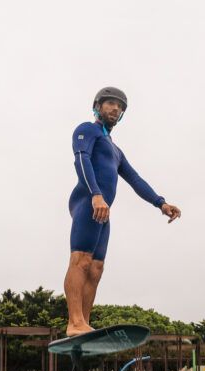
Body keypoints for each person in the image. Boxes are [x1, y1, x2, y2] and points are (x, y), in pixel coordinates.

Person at [63, 87, 182, 336]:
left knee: (96, 268)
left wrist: (161, 203)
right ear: (98, 106)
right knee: (81, 260)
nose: (115, 108)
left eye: (119, 106)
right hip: (88, 202)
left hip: (104, 211)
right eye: (109, 103)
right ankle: (73, 322)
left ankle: (83, 322)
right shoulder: (87, 130)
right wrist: (95, 194)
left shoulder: (116, 150)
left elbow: (135, 179)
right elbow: (81, 160)